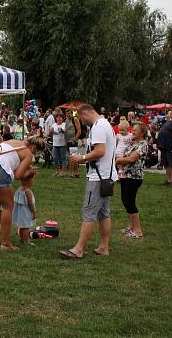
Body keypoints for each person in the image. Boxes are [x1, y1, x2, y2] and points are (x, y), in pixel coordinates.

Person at [60, 104, 117, 259]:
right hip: (107, 176)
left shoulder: (98, 127)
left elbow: (100, 151)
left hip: (98, 178)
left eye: (80, 118)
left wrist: (82, 158)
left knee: (89, 213)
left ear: (84, 113)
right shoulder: (106, 124)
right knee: (104, 213)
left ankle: (79, 249)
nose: (81, 122)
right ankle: (104, 247)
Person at [0, 136, 44, 250]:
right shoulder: (28, 153)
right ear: (34, 147)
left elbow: (13, 158)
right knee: (7, 206)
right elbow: (18, 175)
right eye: (37, 152)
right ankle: (5, 243)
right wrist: (30, 173)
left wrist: (28, 166)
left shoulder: (13, 142)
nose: (35, 155)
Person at [115, 123, 149, 238]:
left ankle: (138, 231)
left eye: (135, 130)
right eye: (132, 130)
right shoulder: (131, 143)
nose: (132, 132)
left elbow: (132, 158)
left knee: (130, 202)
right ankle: (131, 227)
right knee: (125, 201)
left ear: (142, 133)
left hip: (134, 177)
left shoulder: (143, 144)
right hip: (125, 176)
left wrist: (117, 161)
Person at [12, 172, 37, 245]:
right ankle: (26, 241)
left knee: (21, 226)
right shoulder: (27, 192)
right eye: (33, 180)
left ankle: (22, 239)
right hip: (26, 212)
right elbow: (30, 204)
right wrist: (34, 212)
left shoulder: (19, 190)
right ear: (29, 181)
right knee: (26, 227)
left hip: (20, 212)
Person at [49, 113, 68, 177]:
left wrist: (62, 130)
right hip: (55, 144)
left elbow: (66, 132)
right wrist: (51, 131)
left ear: (63, 118)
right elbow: (50, 133)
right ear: (56, 118)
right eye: (58, 117)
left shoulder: (64, 124)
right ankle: (57, 171)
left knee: (63, 158)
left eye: (60, 117)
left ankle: (63, 172)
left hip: (62, 144)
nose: (59, 118)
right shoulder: (54, 124)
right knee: (55, 158)